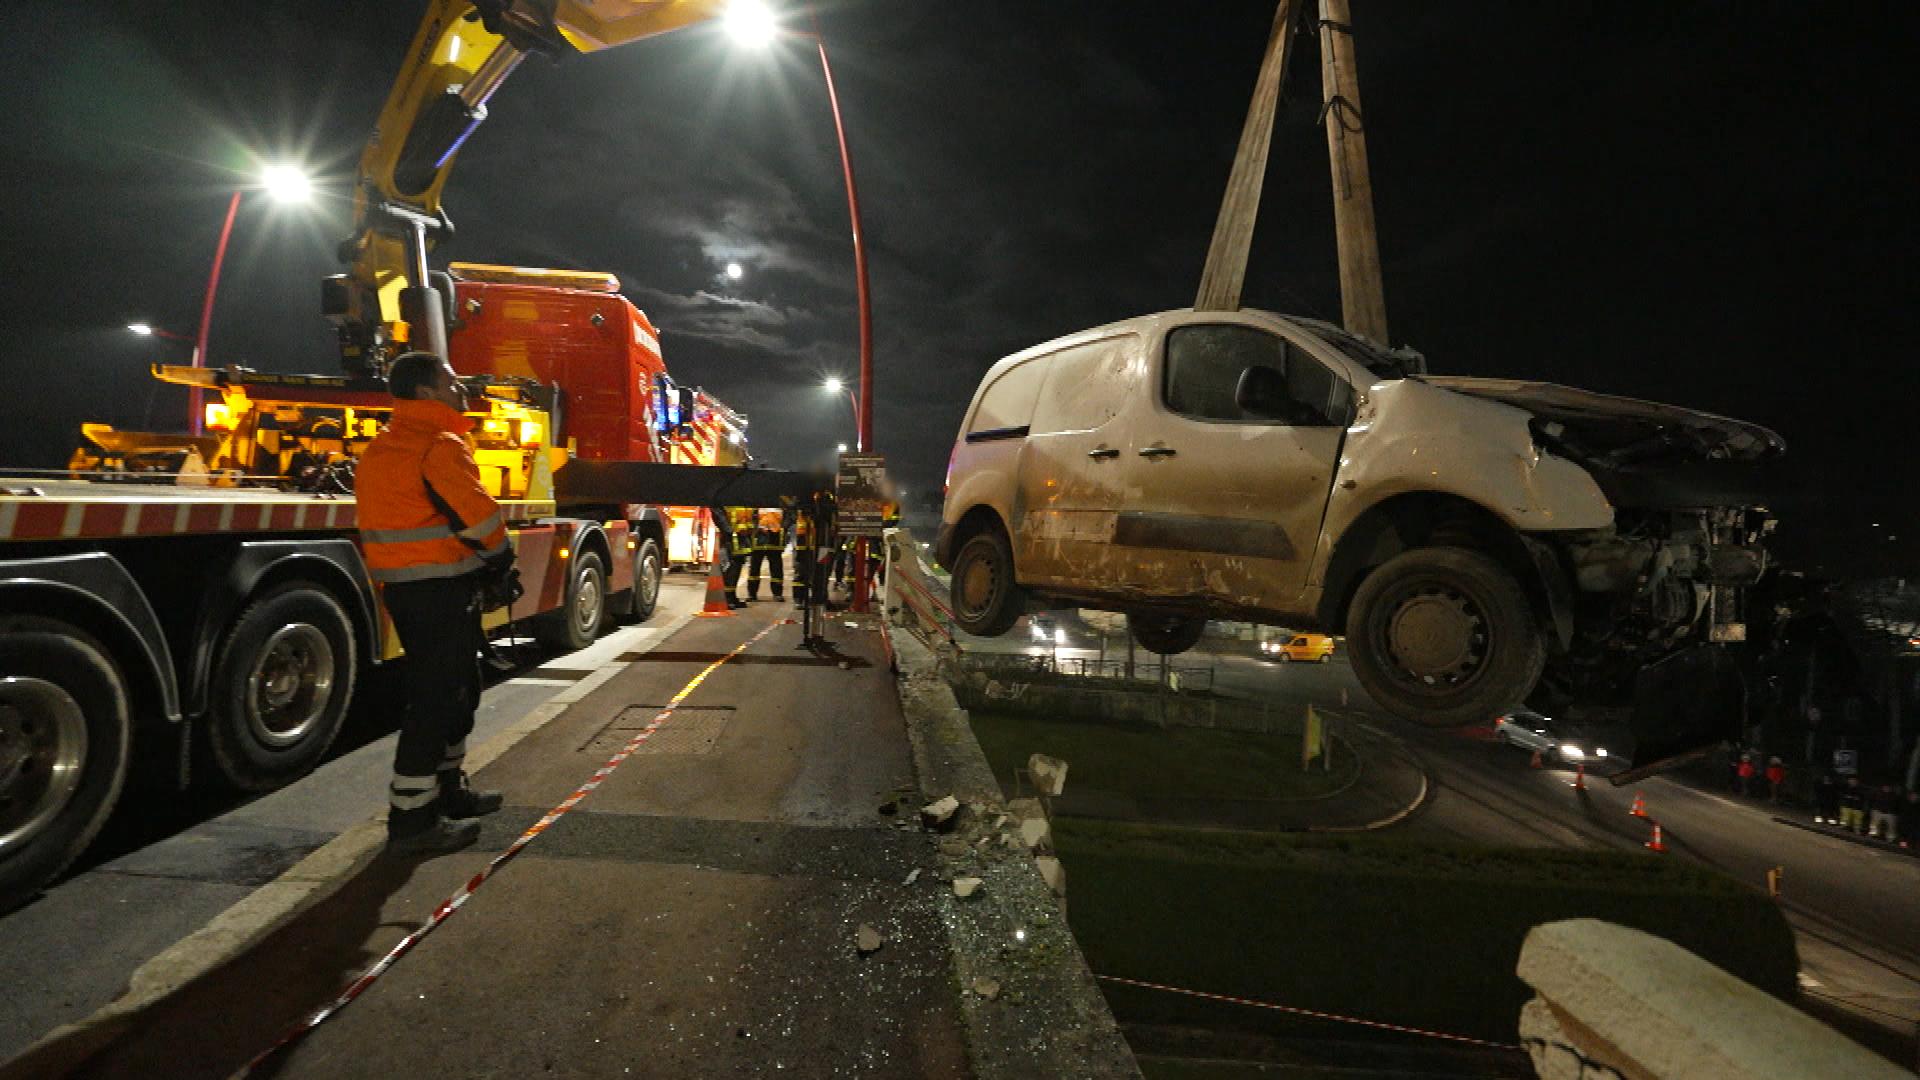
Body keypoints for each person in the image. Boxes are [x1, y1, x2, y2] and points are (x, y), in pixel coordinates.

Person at [357, 351, 510, 856]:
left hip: (409, 590)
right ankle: (414, 821)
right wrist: (501, 557)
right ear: (425, 392)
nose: (460, 386)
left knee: (455, 690)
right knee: (440, 697)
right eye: (449, 380)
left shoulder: (383, 447)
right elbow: (479, 517)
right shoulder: (438, 445)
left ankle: (448, 792)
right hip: (442, 588)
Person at [746, 505, 786, 601]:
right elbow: (751, 517)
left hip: (775, 538)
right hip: (759, 538)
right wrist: (756, 528)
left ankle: (777, 593)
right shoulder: (757, 501)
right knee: (754, 568)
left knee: (776, 568)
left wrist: (782, 528)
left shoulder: (781, 502)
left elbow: (789, 516)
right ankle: (752, 594)